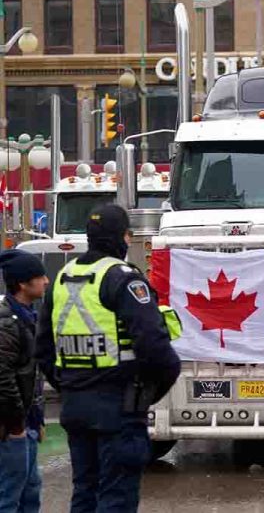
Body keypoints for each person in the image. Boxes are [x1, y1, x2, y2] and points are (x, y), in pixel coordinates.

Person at [36, 204, 181, 513]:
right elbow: (158, 351)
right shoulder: (124, 279)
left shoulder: (63, 277)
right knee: (116, 497)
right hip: (120, 409)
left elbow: (44, 350)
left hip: (76, 407)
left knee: (85, 491)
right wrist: (147, 396)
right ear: (124, 237)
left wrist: (69, 387)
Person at [0, 250, 49, 513]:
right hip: (11, 429)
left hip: (25, 424)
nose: (46, 281)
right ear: (22, 284)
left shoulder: (28, 316)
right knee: (9, 495)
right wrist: (16, 424)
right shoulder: (7, 321)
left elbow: (31, 376)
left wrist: (36, 420)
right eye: (40, 276)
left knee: (30, 492)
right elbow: (3, 378)